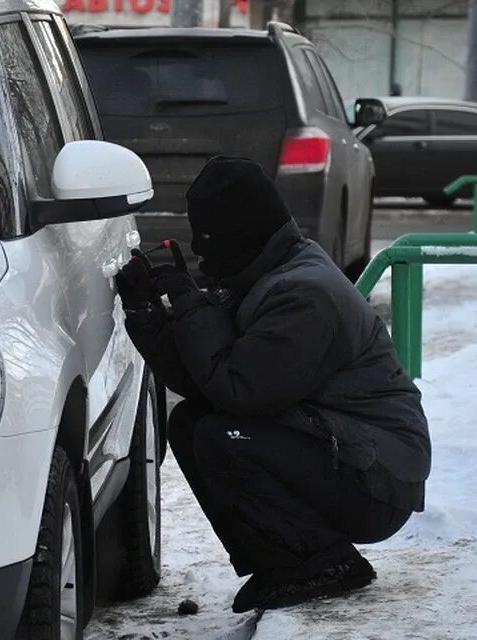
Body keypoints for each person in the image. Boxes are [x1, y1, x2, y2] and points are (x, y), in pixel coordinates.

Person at [115, 157, 431, 613]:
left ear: (237, 233)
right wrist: (148, 314)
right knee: (190, 422)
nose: (203, 255)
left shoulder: (303, 294)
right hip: (347, 449)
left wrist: (189, 303)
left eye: (208, 240)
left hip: (379, 480)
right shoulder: (265, 273)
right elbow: (203, 381)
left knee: (224, 434)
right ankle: (284, 560)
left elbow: (240, 390)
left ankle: (323, 563)